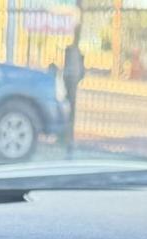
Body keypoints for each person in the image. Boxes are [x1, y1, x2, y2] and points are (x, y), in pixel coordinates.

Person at [61, 19, 85, 154]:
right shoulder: (69, 50)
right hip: (68, 85)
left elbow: (80, 71)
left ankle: (68, 139)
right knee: (67, 113)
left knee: (71, 113)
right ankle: (65, 138)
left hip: (72, 85)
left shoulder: (76, 52)